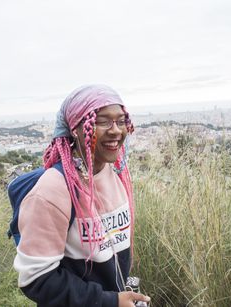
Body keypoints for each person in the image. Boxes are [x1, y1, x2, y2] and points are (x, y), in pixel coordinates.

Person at [13, 85, 151, 307]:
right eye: (103, 121)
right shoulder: (53, 191)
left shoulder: (115, 173)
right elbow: (36, 279)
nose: (116, 130)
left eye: (121, 120)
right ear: (75, 129)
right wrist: (109, 301)